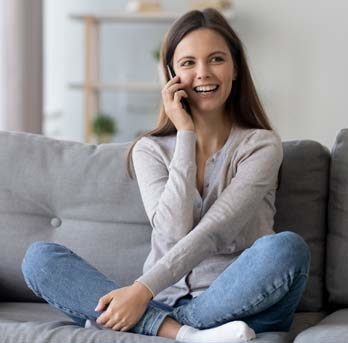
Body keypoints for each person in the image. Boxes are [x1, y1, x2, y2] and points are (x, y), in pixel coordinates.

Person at [21, 8, 311, 343]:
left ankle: (147, 324)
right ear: (171, 74)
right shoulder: (150, 150)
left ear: (235, 70)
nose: (203, 73)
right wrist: (185, 134)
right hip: (166, 299)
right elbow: (172, 230)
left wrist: (140, 293)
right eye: (188, 63)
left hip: (242, 307)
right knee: (40, 260)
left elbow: (216, 231)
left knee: (286, 249)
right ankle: (184, 333)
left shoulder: (261, 145)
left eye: (216, 59)